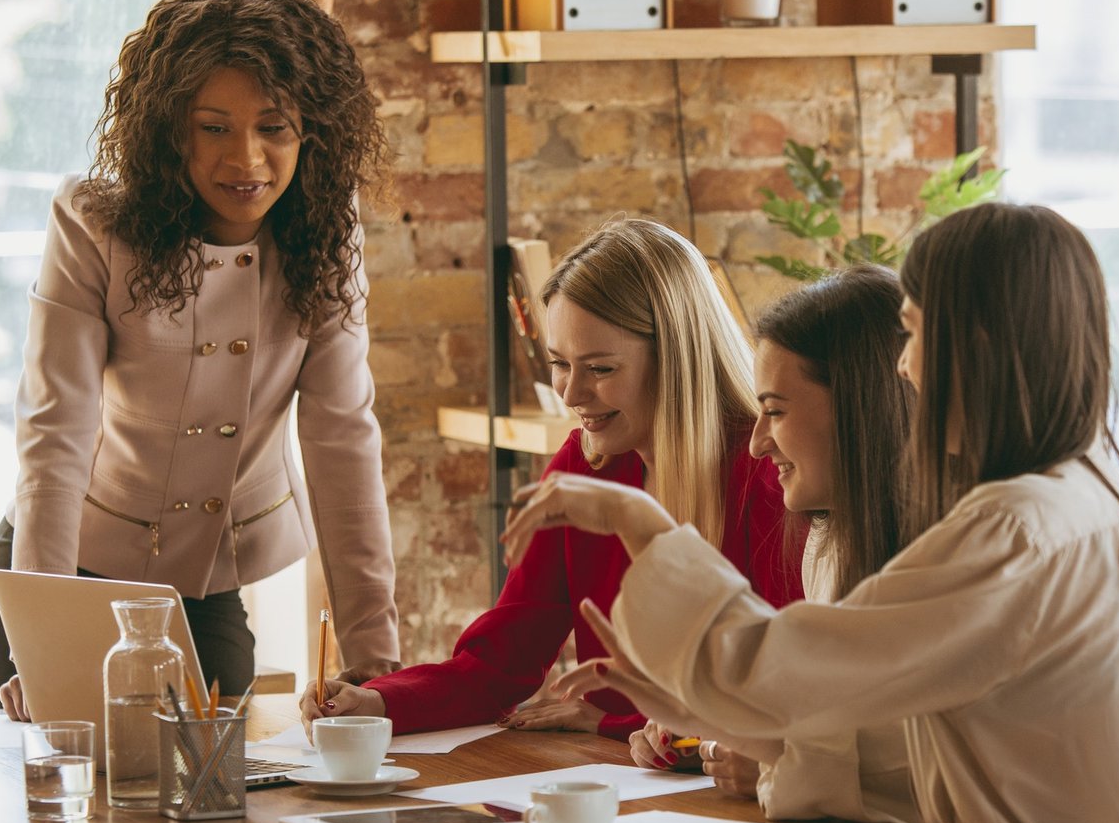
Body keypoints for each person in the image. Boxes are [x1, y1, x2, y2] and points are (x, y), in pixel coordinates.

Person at [508, 203, 1119, 823]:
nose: (902, 368)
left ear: (971, 345)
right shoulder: (1095, 493)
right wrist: (714, 724)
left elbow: (776, 673)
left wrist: (642, 525)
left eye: (912, 334)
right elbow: (916, 748)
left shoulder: (1016, 532)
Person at [0, 0, 400, 717]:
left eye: (274, 127)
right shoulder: (93, 224)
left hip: (204, 586)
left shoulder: (330, 236)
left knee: (215, 815)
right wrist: (41, 639)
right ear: (170, 126)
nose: (247, 160)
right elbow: (55, 434)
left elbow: (341, 439)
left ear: (312, 130)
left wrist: (377, 660)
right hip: (60, 564)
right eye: (214, 126)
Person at [306, 217, 802, 741]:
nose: (570, 394)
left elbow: (776, 687)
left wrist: (616, 722)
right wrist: (379, 699)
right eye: (560, 363)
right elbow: (501, 664)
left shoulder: (767, 474)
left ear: (677, 359)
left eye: (601, 369)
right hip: (622, 785)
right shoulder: (581, 466)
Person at [628, 267, 915, 815]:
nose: (758, 444)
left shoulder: (952, 555)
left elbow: (910, 763)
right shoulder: (826, 540)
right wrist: (718, 733)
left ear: (861, 406)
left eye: (776, 412)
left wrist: (772, 755)